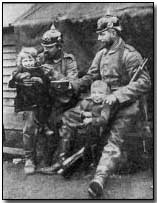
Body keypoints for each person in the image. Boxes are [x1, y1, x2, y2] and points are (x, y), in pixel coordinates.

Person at [59, 15, 151, 197]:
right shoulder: (101, 54)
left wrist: (117, 95)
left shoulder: (130, 54)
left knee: (114, 140)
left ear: (112, 32)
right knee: (70, 116)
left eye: (102, 34)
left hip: (127, 105)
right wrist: (73, 84)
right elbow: (92, 76)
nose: (99, 38)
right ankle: (63, 159)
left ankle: (99, 179)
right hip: (103, 103)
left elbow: (145, 82)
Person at [49, 80, 112, 172]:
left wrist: (92, 117)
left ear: (106, 94)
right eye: (94, 93)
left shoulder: (106, 105)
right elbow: (77, 110)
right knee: (66, 121)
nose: (97, 95)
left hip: (99, 131)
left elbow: (104, 119)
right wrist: (82, 114)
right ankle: (62, 159)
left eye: (100, 93)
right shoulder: (88, 101)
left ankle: (89, 166)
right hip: (87, 127)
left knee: (90, 145)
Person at [9, 47, 53, 174]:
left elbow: (47, 83)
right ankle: (29, 159)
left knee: (45, 126)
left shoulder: (39, 70)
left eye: (30, 60)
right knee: (29, 128)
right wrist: (20, 77)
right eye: (25, 61)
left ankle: (45, 160)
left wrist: (40, 80)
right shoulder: (20, 70)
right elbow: (12, 79)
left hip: (41, 104)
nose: (28, 63)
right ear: (20, 62)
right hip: (26, 104)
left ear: (35, 60)